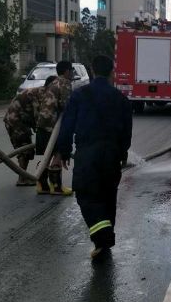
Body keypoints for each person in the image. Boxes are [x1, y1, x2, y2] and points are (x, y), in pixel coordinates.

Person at [56, 55, 132, 260]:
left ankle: (102, 238)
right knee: (108, 196)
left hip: (87, 154)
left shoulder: (80, 95)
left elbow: (67, 126)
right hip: (112, 155)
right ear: (111, 72)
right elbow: (127, 130)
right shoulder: (121, 98)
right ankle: (104, 241)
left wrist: (63, 151)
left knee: (86, 194)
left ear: (92, 69)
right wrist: (123, 152)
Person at [3, 76, 57, 186]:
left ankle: (23, 177)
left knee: (25, 149)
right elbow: (39, 116)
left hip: (20, 120)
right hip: (15, 121)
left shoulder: (44, 94)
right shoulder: (40, 94)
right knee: (25, 149)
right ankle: (22, 179)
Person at [36, 61, 73, 195]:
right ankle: (56, 187)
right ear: (67, 71)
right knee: (58, 153)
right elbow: (66, 106)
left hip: (42, 123)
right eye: (72, 70)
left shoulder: (53, 82)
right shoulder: (65, 83)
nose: (73, 73)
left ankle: (42, 186)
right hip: (53, 125)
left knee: (46, 155)